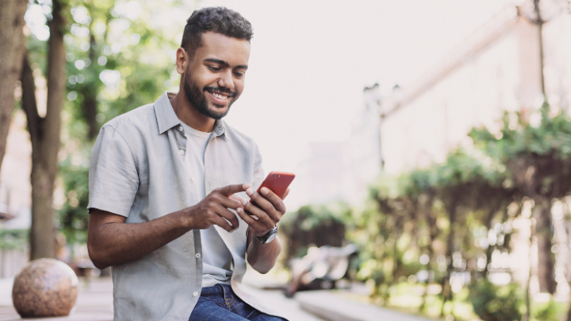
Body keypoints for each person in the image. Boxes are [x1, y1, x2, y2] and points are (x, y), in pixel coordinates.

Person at [87, 7, 287, 321]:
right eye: (215, 66)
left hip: (234, 298)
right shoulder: (124, 135)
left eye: (238, 71)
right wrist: (188, 218)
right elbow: (99, 249)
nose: (227, 82)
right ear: (182, 61)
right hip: (167, 307)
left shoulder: (246, 149)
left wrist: (266, 231)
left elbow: (263, 264)